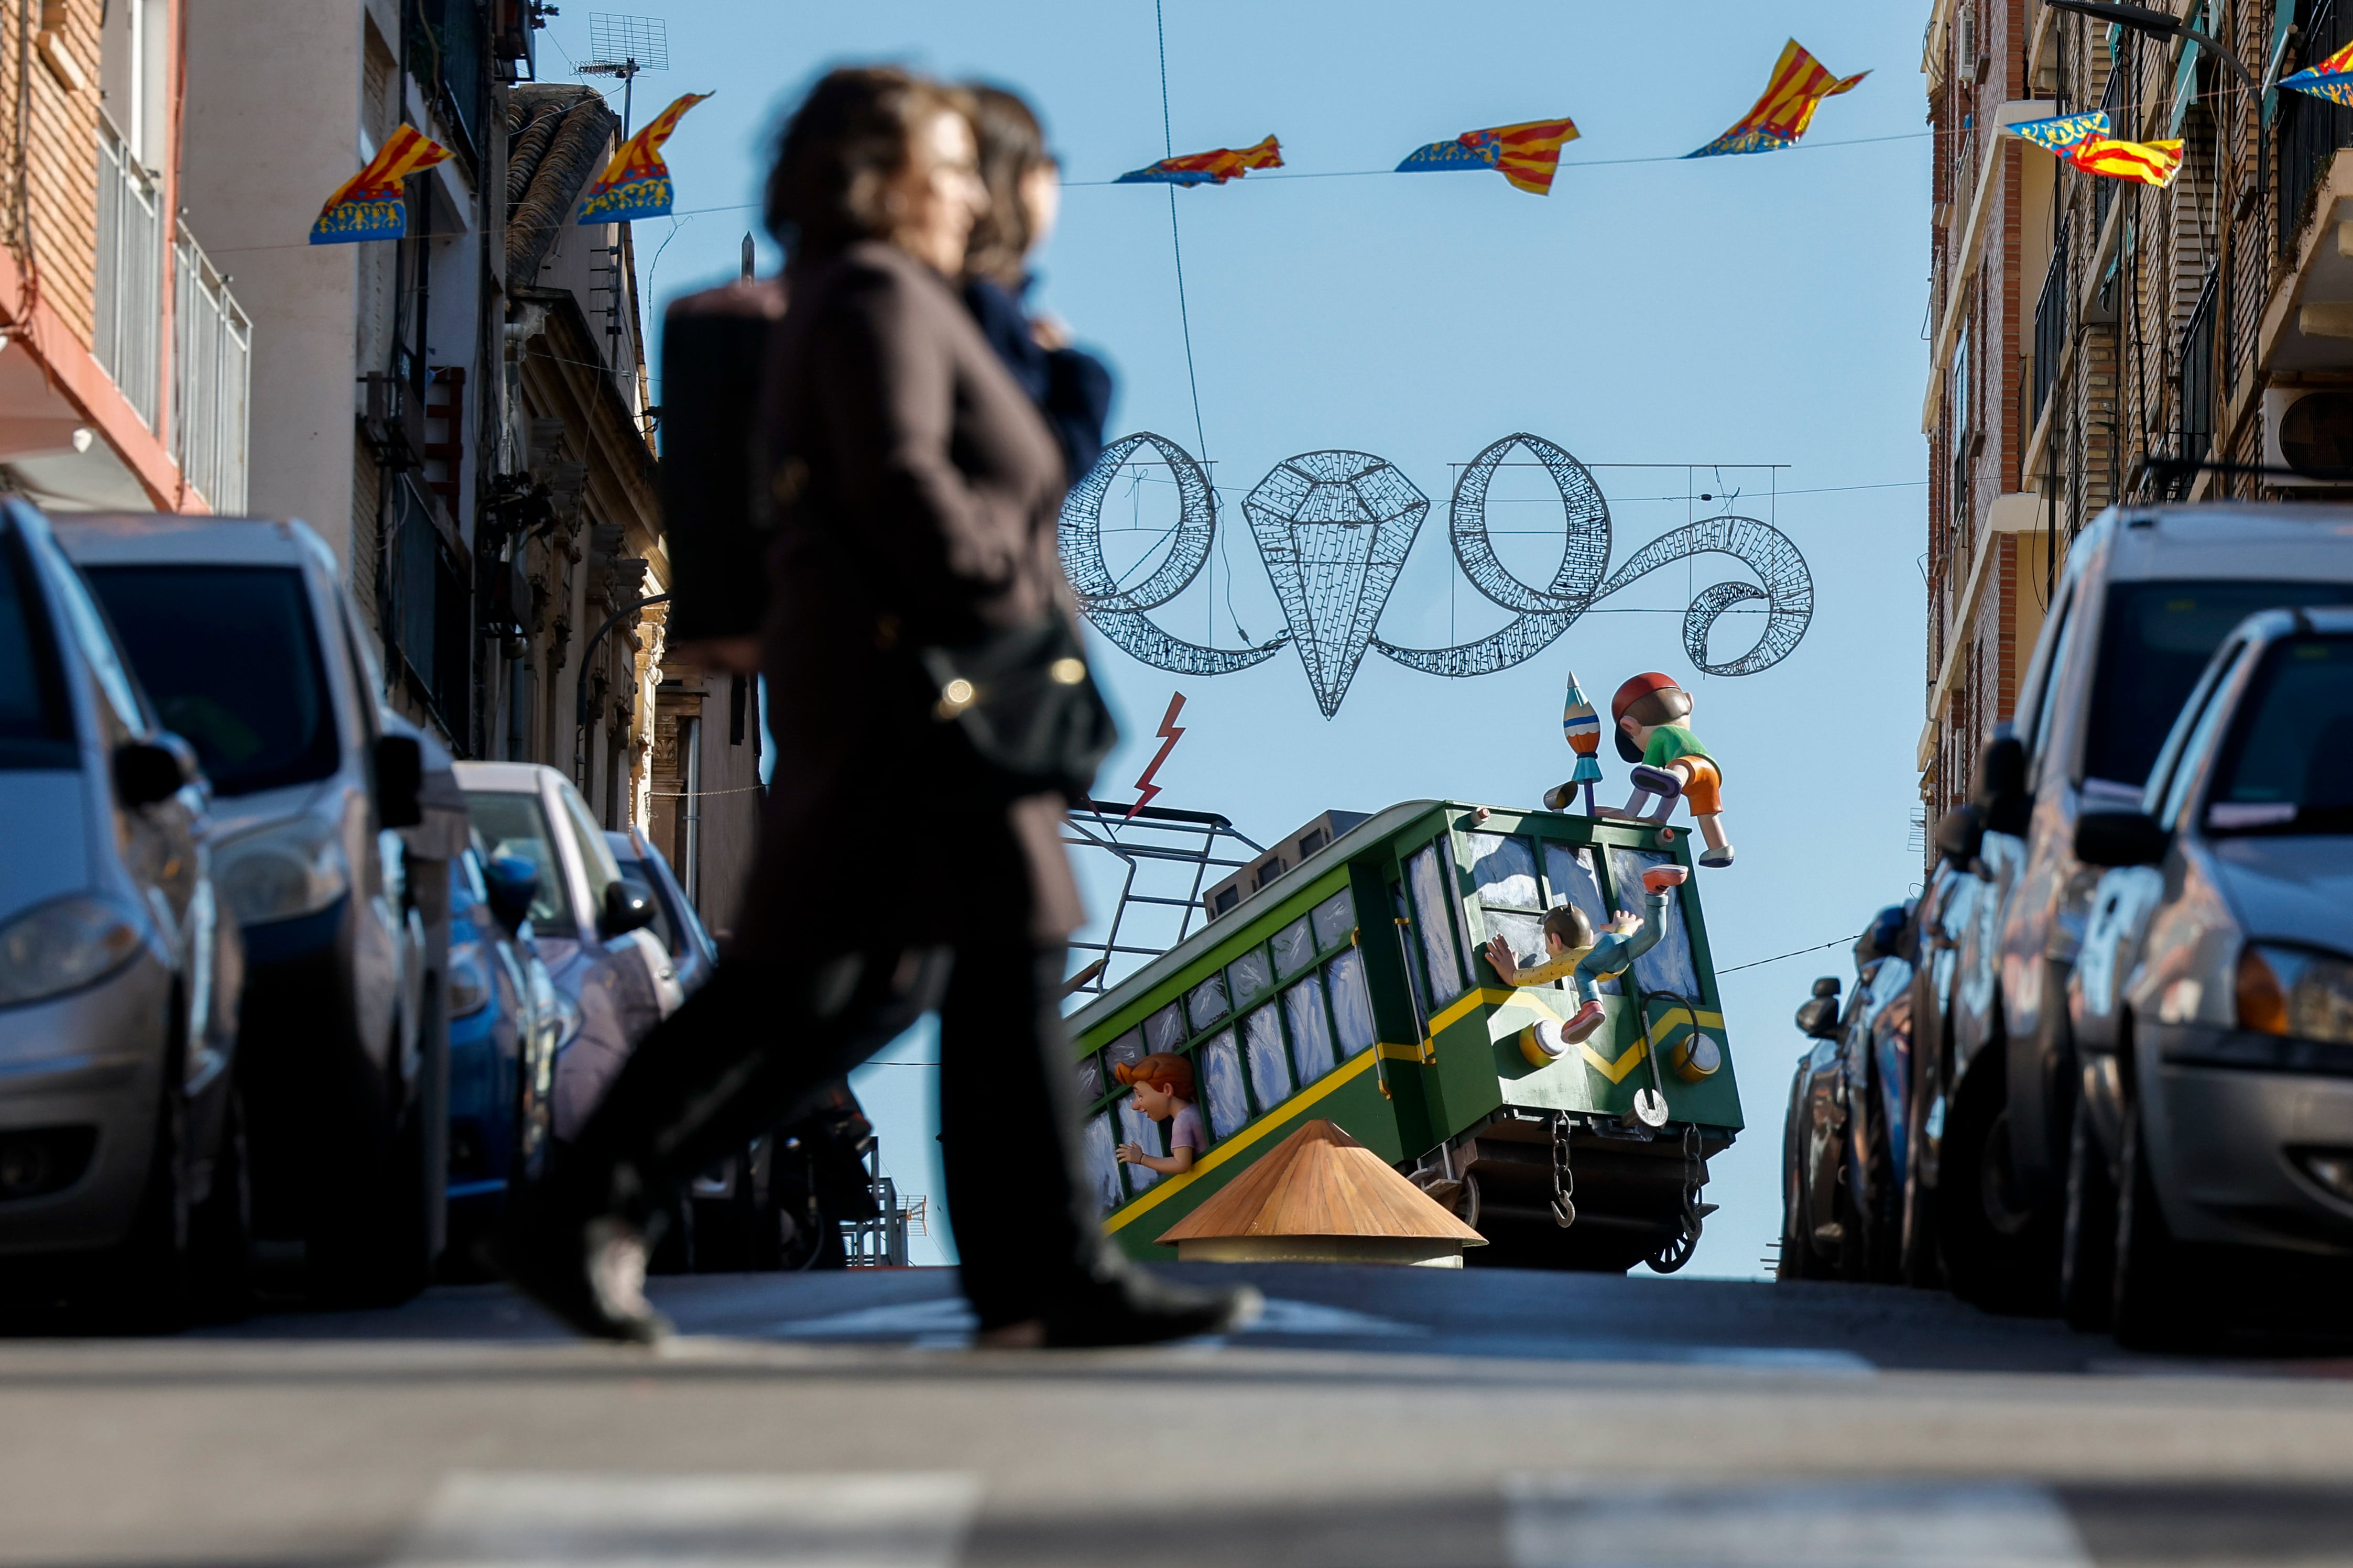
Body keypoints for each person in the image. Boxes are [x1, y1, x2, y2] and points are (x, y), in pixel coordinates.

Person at [493, 67, 1257, 1350]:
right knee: (954, 962)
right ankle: (1042, 1276)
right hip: (922, 689)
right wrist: (989, 593)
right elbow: (897, 473)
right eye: (953, 166)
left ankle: (589, 1211)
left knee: (849, 984)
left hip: (898, 685)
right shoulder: (874, 295)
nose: (974, 190)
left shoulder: (887, 295)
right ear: (890, 173)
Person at [958, 84, 1112, 483]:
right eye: (1048, 165)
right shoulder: (980, 306)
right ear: (1019, 180)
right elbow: (1035, 475)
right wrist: (1076, 377)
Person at [1486, 866, 1689, 1043]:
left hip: (1605, 955)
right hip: (1618, 950)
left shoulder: (1568, 960)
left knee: (1582, 971)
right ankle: (1656, 891)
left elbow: (1538, 974)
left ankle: (1591, 1006)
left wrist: (1512, 975)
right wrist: (1625, 928)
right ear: (1590, 937)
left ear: (1556, 940)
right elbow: (1619, 938)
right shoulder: (1599, 945)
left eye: (1546, 941)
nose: (1547, 950)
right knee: (1653, 935)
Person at [1600, 672, 1736, 868]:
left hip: (1688, 768)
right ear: (1689, 703)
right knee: (1707, 813)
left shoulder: (1660, 735)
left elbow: (1645, 781)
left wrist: (1628, 814)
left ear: (1630, 726)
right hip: (1712, 772)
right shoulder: (1686, 736)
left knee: (1675, 772)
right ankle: (1719, 849)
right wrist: (1659, 819)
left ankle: (1675, 778)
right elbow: (1670, 790)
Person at [1113, 1054, 1205, 1177]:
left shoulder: (1182, 1121)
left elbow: (1181, 1164)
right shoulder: (1193, 1110)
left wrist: (1141, 1159)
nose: (1134, 1106)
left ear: (1167, 1089)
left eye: (1140, 1096)